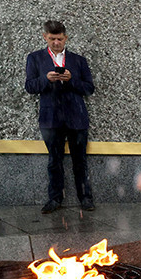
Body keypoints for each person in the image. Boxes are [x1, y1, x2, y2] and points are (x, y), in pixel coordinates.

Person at [25, 20, 96, 214]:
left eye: (60, 39)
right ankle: (55, 198)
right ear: (45, 37)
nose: (56, 42)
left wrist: (71, 80)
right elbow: (30, 87)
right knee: (54, 160)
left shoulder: (78, 60)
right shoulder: (35, 58)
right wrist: (45, 80)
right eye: (52, 39)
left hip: (77, 117)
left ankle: (85, 197)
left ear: (66, 38)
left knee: (79, 160)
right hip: (50, 118)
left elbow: (89, 88)